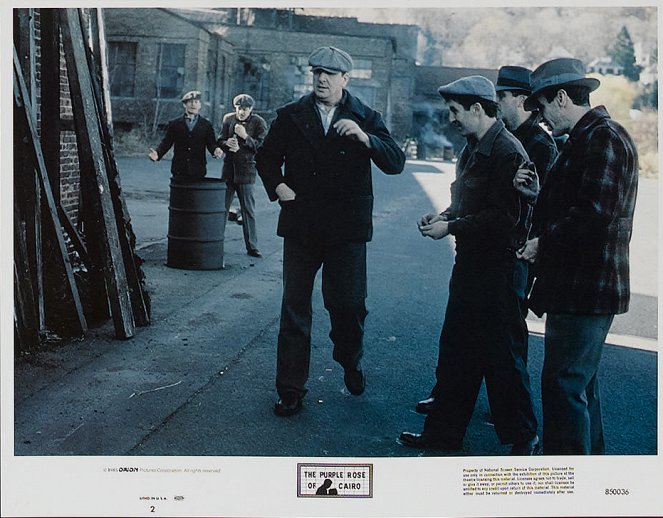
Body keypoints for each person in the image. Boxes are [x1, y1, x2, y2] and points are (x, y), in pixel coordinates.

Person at [256, 46, 405, 417]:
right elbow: (266, 157)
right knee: (295, 309)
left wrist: (365, 138)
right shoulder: (291, 116)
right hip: (302, 226)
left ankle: (349, 358)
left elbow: (396, 162)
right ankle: (290, 389)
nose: (321, 78)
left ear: (345, 79)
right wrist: (278, 187)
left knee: (348, 305)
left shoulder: (365, 116)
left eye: (330, 73)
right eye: (317, 71)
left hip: (346, 231)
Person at [399, 75, 539, 455]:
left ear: (478, 109)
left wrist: (451, 227)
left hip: (499, 273)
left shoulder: (509, 153)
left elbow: (503, 219)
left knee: (503, 361)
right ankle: (442, 437)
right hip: (471, 267)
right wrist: (442, 216)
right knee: (456, 353)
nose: (451, 118)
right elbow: (466, 204)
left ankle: (524, 438)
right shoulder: (473, 148)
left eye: (456, 111)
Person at [518, 58, 639, 455]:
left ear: (564, 97)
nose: (541, 117)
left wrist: (543, 244)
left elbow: (594, 213)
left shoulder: (602, 138)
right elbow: (587, 206)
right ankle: (589, 479)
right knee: (579, 385)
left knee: (564, 385)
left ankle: (565, 482)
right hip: (583, 285)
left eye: (543, 106)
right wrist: (542, 198)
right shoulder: (592, 137)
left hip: (585, 287)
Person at [218, 94, 268, 257]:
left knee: (248, 210)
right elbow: (220, 139)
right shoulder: (228, 119)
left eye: (245, 109)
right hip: (228, 171)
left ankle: (252, 246)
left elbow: (262, 148)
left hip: (246, 172)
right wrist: (226, 144)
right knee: (221, 208)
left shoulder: (258, 122)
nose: (241, 112)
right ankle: (215, 241)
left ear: (251, 109)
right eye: (239, 108)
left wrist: (245, 137)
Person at [149, 90, 222, 177]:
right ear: (184, 105)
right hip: (179, 170)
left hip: (198, 170)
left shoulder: (206, 125)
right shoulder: (175, 124)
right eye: (190, 102)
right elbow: (166, 143)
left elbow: (211, 144)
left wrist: (216, 151)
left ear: (200, 105)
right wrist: (157, 154)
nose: (193, 104)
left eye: (196, 102)